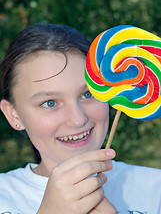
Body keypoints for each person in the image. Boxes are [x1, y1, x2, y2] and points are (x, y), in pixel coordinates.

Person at [0, 23, 160, 214]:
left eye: (88, 94)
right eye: (50, 103)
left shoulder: (155, 190)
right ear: (14, 115)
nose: (78, 120)